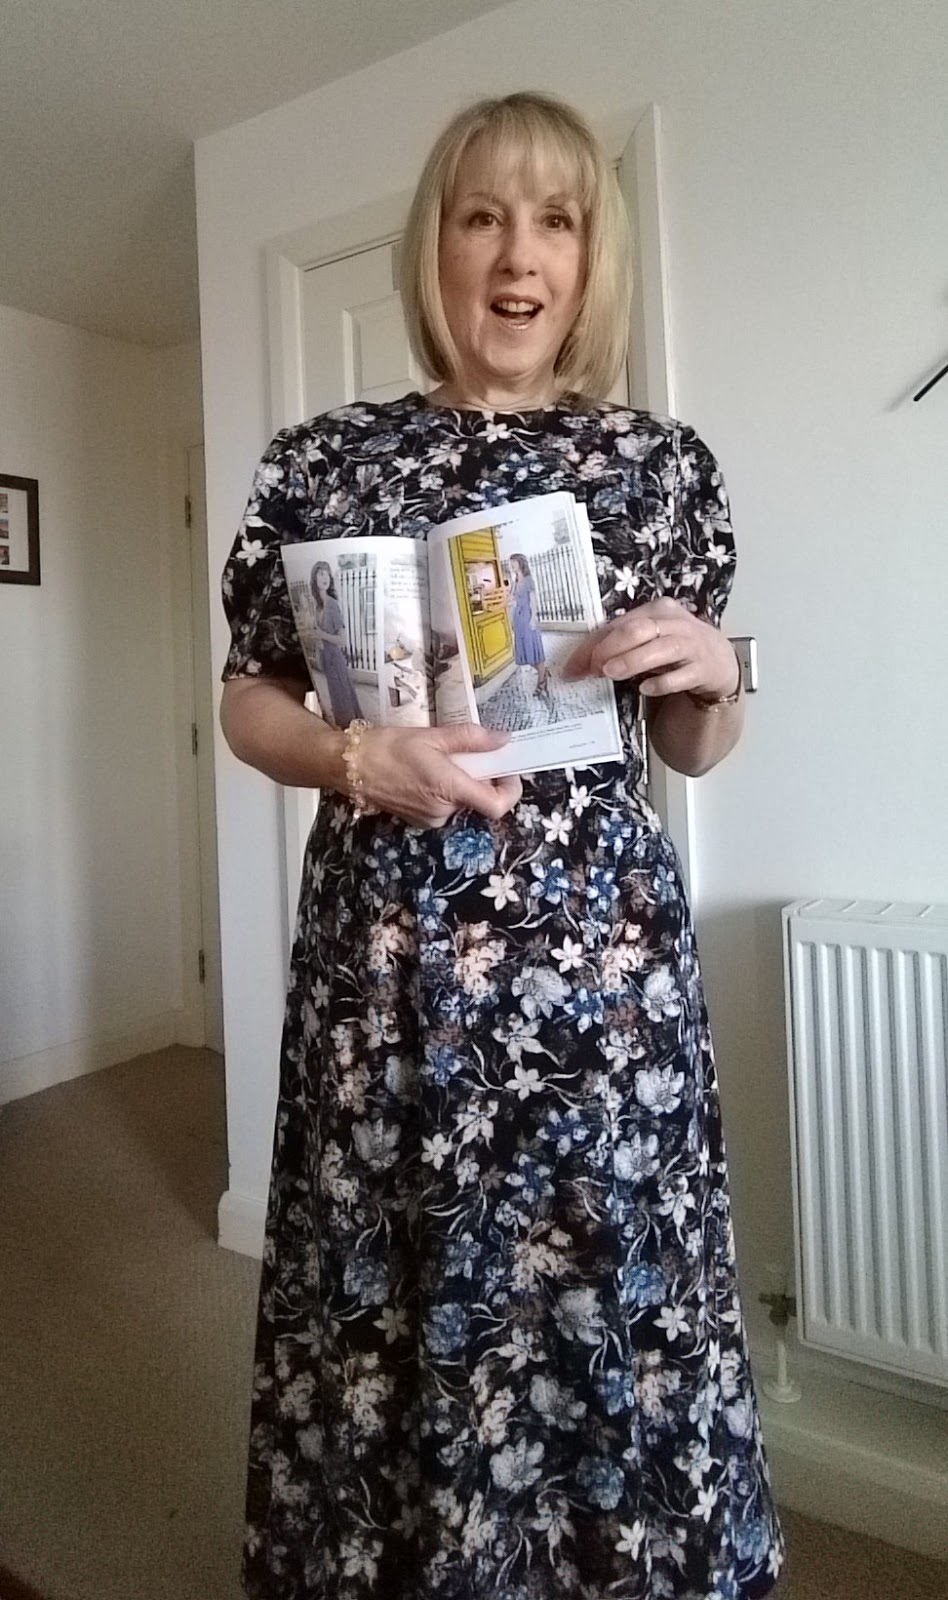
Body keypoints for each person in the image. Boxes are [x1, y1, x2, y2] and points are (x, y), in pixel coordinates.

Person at [220, 91, 785, 1600]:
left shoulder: (659, 467)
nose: (518, 254)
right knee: (392, 1288)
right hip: (387, 979)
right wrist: (352, 756)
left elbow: (690, 745)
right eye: (482, 216)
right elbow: (247, 700)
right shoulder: (323, 461)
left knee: (602, 1286)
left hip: (600, 987)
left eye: (556, 220)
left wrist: (719, 673)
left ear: (591, 260)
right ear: (438, 246)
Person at [310, 559, 364, 727]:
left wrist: (321, 634)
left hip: (335, 657)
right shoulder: (318, 607)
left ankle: (353, 729)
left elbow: (342, 640)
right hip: (326, 658)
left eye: (327, 574)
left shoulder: (332, 605)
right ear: (314, 579)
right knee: (336, 697)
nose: (325, 578)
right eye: (321, 574)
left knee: (344, 697)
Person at [507, 552, 551, 695]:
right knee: (525, 653)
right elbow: (512, 599)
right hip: (519, 619)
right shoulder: (515, 582)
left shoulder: (528, 580)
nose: (512, 565)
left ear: (521, 563)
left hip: (527, 618)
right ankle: (543, 672)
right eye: (511, 563)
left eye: (514, 563)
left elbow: (533, 601)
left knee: (533, 651)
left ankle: (541, 681)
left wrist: (533, 619)